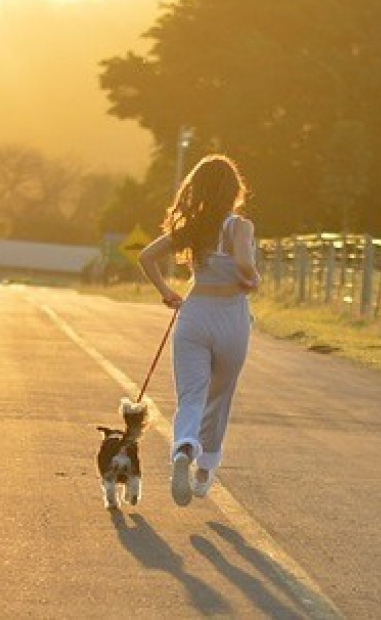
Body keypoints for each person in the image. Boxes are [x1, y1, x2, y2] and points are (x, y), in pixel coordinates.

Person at [137, 154, 261, 507]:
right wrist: (251, 276)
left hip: (195, 313)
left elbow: (146, 256)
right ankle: (204, 470)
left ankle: (183, 448)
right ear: (235, 189)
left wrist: (166, 293)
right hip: (231, 318)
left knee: (191, 395)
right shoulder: (239, 226)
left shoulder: (193, 227)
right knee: (219, 397)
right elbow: (242, 263)